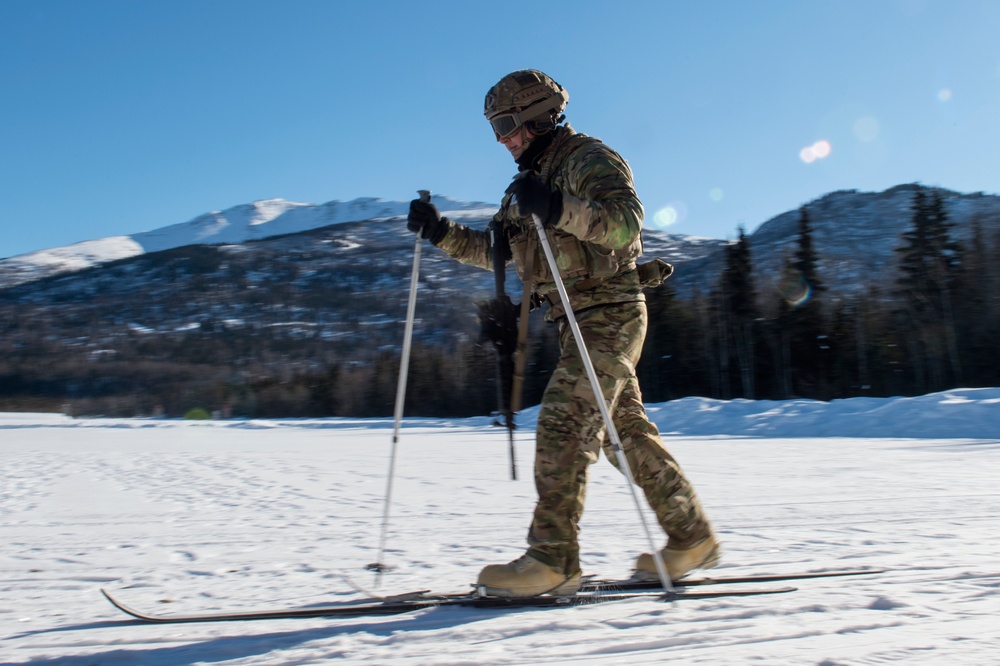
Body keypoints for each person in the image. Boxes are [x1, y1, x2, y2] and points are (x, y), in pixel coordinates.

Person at [406, 69, 718, 598]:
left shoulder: (585, 159)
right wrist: (440, 232)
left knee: (562, 421)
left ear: (536, 115)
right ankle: (691, 536)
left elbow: (625, 226)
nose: (501, 138)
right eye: (493, 128)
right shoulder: (526, 183)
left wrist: (557, 208)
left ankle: (553, 560)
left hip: (612, 312)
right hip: (573, 323)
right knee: (624, 438)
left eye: (506, 124)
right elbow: (501, 255)